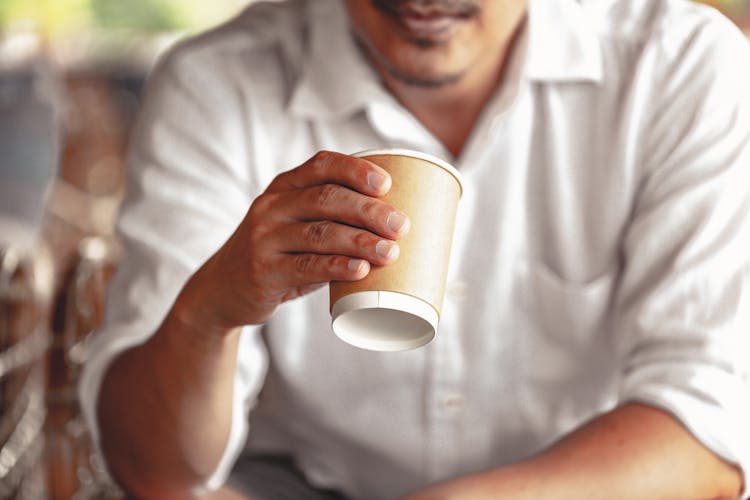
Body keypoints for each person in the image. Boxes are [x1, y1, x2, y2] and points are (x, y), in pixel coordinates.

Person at [79, 0, 750, 498]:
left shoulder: (680, 69)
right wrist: (208, 312)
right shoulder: (215, 83)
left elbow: (708, 436)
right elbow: (152, 469)